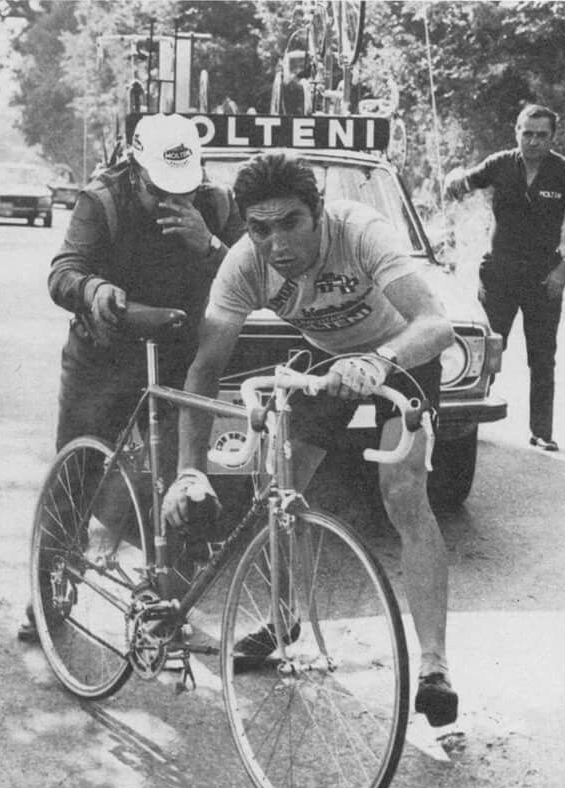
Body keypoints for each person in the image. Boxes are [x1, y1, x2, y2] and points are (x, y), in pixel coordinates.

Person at [162, 151, 460, 728]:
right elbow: (203, 370)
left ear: (319, 212)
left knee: (402, 492)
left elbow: (436, 325)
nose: (276, 244)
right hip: (326, 363)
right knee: (278, 485)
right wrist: (189, 470)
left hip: (400, 356)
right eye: (259, 228)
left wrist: (380, 360)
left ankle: (434, 666)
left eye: (291, 223)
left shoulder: (360, 231)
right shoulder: (245, 265)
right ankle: (282, 617)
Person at [17, 112, 244, 642]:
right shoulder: (103, 201)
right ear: (135, 171)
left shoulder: (215, 205)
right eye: (159, 191)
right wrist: (94, 291)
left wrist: (209, 245)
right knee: (78, 471)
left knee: (178, 477)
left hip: (180, 354)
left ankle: (164, 596)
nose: (172, 204)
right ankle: (47, 583)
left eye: (182, 192)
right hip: (104, 353)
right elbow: (63, 270)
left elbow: (253, 272)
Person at [444, 103, 565, 451]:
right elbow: (463, 183)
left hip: (544, 278)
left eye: (542, 135)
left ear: (552, 137)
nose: (534, 141)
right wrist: (454, 176)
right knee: (485, 352)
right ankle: (469, 426)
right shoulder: (500, 164)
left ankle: (542, 432)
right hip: (499, 274)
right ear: (517, 132)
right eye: (527, 133)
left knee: (542, 356)